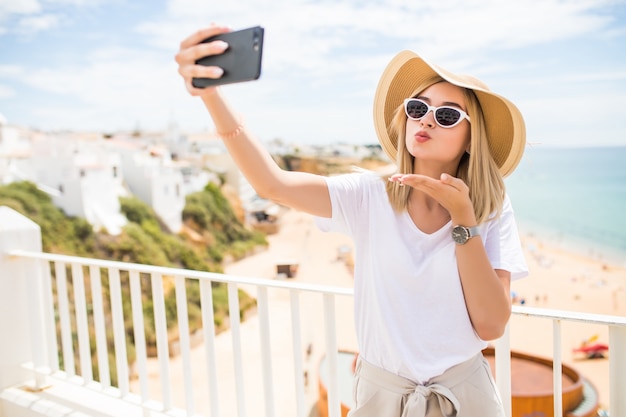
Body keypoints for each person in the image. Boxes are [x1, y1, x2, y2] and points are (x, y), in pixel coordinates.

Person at [176, 24, 528, 417]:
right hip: (382, 396)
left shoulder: (491, 207)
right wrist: (211, 96)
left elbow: (491, 325)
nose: (426, 120)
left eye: (446, 115)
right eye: (418, 107)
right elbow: (272, 183)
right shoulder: (369, 194)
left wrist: (465, 221)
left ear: (470, 139)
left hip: (466, 395)